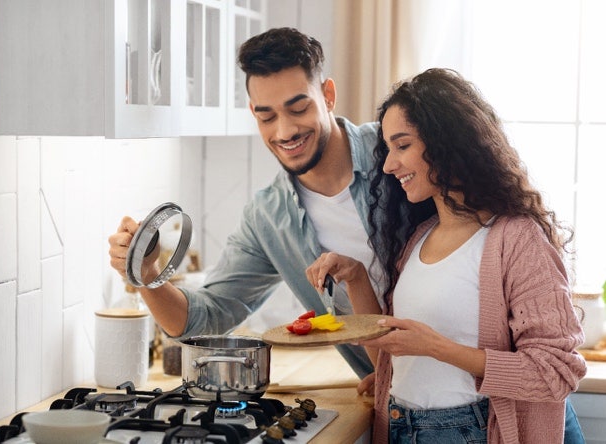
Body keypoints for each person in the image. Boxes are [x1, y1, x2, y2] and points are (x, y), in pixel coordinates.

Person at [307, 68, 587, 443]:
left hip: (468, 431)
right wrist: (356, 276)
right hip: (399, 427)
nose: (389, 165)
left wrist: (438, 349)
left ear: (448, 143)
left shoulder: (517, 239)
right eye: (388, 149)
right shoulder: (421, 238)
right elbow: (392, 353)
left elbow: (556, 371)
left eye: (402, 146)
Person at [108, 27, 383, 382]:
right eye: (267, 117)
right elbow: (202, 320)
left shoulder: (395, 151)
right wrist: (147, 276)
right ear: (253, 112)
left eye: (298, 108)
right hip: (390, 406)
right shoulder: (268, 218)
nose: (284, 132)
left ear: (328, 95)